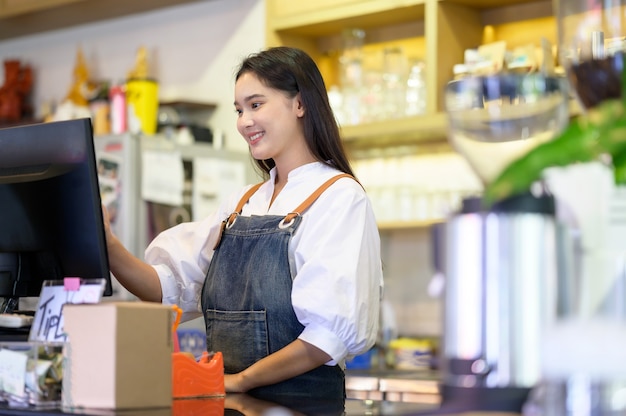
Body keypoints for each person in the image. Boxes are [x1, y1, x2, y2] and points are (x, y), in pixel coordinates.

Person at [103, 46, 383, 401]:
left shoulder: (339, 197)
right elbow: (167, 289)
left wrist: (241, 381)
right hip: (230, 402)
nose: (243, 121)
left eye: (255, 104)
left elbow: (328, 338)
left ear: (300, 104)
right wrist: (108, 244)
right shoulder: (240, 205)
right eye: (239, 110)